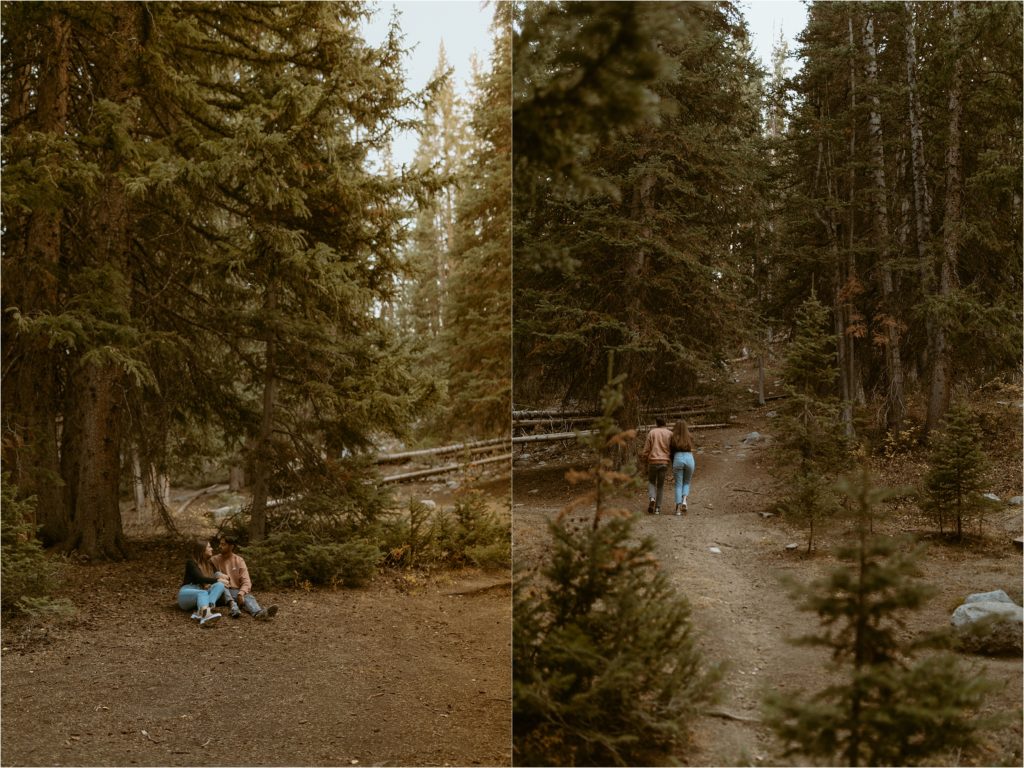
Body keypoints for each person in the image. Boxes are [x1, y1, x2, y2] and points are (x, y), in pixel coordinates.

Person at [211, 535, 278, 620]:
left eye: (223, 544)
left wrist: (241, 593)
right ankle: (233, 606)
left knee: (247, 596)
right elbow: (208, 578)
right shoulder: (213, 560)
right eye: (220, 544)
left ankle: (259, 613)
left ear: (231, 547)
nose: (220, 546)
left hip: (234, 591)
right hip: (219, 593)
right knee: (219, 579)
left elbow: (246, 581)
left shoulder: (239, 560)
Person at [178, 539, 226, 627]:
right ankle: (205, 616)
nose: (212, 549)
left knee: (220, 585)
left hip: (201, 594)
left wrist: (222, 578)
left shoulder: (209, 564)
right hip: (186, 593)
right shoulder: (191, 563)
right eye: (209, 547)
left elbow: (216, 576)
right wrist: (217, 580)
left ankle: (205, 610)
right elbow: (200, 578)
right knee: (204, 592)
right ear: (202, 549)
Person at [640, 417, 673, 515]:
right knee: (661, 485)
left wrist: (644, 458)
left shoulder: (652, 432)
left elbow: (647, 448)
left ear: (656, 423)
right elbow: (672, 448)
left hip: (653, 462)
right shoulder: (670, 434)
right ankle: (658, 508)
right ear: (665, 423)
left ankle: (652, 498)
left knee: (651, 482)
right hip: (664, 462)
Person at [670, 419, 696, 516]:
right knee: (686, 482)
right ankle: (684, 500)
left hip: (678, 457)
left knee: (678, 485)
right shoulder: (690, 436)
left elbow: (671, 452)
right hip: (689, 457)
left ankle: (677, 509)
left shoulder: (673, 437)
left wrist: (673, 463)